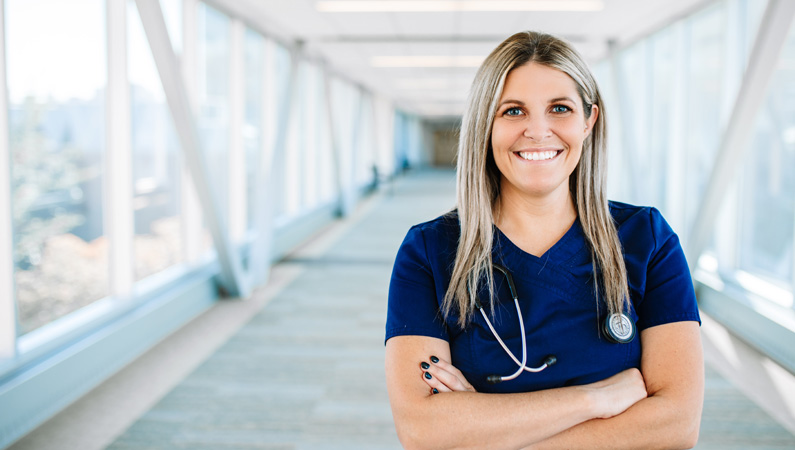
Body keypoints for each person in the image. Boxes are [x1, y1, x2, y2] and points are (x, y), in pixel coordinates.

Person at [384, 31, 704, 450]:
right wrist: (597, 399)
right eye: (513, 111)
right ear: (485, 124)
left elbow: (676, 426)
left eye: (560, 108)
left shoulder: (647, 240)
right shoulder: (429, 251)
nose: (538, 131)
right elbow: (422, 430)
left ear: (588, 121)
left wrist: (484, 431)